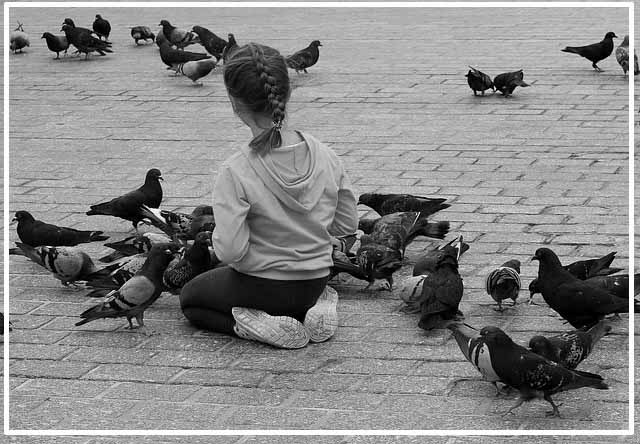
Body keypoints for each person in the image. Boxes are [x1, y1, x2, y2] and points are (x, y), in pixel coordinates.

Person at [179, 42, 358, 349]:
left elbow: (232, 252)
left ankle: (253, 326)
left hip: (261, 286)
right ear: (288, 93)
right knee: (270, 286)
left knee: (191, 298)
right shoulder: (327, 155)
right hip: (315, 280)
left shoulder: (235, 170)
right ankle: (317, 307)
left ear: (235, 104)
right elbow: (346, 225)